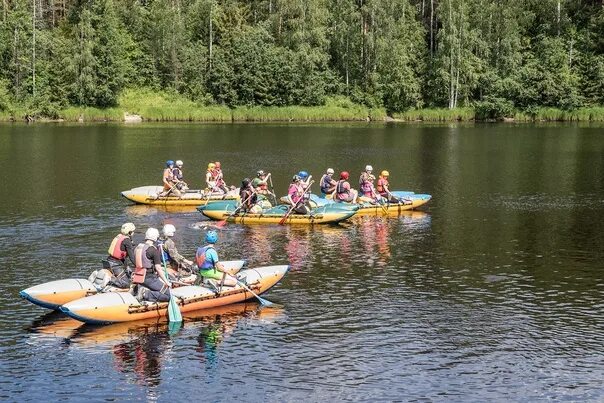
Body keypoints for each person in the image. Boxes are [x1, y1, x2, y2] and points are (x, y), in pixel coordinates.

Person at [132, 228, 172, 303]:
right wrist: (167, 282)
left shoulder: (137, 248)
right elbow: (158, 269)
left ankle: (141, 288)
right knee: (168, 295)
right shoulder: (154, 250)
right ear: (155, 237)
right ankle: (145, 293)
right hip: (149, 279)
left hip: (138, 276)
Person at [105, 223, 136, 289]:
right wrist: (139, 266)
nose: (134, 233)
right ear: (130, 232)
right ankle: (110, 280)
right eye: (133, 231)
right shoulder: (127, 241)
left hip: (109, 261)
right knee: (126, 284)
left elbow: (123, 256)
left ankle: (114, 279)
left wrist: (126, 266)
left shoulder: (119, 236)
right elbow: (132, 258)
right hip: (115, 265)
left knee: (129, 274)